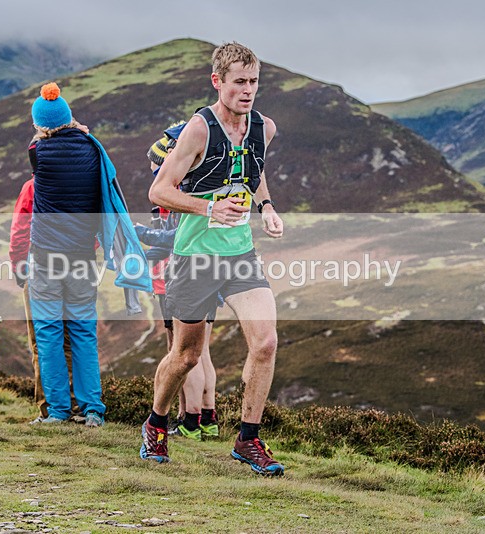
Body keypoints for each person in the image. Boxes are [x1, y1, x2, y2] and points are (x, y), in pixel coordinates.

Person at [141, 42, 285, 476]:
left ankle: (247, 440)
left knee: (266, 342)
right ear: (217, 81)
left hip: (240, 254)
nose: (248, 90)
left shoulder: (264, 128)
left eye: (254, 82)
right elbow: (159, 190)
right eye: (239, 82)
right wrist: (209, 208)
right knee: (186, 356)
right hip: (195, 257)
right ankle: (156, 424)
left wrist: (266, 206)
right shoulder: (199, 130)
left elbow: (254, 171)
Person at [25, 82, 149, 427]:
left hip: (45, 257)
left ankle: (58, 410)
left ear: (40, 124)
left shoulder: (38, 152)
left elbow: (41, 142)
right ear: (69, 117)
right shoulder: (94, 151)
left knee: (49, 333)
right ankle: (93, 408)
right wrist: (79, 130)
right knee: (82, 331)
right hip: (81, 255)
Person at [137, 127, 219, 441]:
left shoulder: (180, 195)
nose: (154, 175)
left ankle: (190, 420)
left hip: (182, 279)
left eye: (155, 168)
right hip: (210, 272)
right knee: (202, 350)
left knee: (182, 351)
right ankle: (208, 418)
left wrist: (140, 234)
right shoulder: (203, 186)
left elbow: (175, 238)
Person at [10, 175, 79, 422]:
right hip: (77, 268)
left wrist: (19, 267)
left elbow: (20, 230)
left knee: (43, 339)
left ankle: (50, 408)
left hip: (39, 269)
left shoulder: (33, 187)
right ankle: (77, 406)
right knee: (72, 340)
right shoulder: (79, 182)